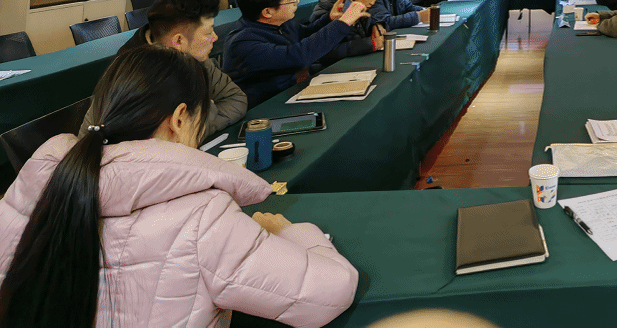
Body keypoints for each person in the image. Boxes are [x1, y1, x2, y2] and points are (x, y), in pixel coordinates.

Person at [0, 43, 358, 328]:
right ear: (180, 118)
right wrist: (293, 233)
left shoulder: (25, 192)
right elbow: (329, 293)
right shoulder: (203, 215)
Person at [79, 0, 246, 137]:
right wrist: (198, 118)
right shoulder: (128, 77)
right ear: (178, 41)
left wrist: (194, 126)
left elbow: (236, 99)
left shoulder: (197, 59)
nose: (215, 38)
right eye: (208, 33)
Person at [222, 0, 371, 107]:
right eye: (292, 0)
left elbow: (305, 34)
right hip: (263, 107)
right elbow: (298, 56)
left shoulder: (280, 23)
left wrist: (330, 19)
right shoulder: (243, 44)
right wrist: (343, 23)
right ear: (267, 12)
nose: (298, 2)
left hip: (291, 89)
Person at [307, 0, 387, 61]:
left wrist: (376, 25)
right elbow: (325, 52)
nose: (373, 2)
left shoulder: (363, 8)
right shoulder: (328, 10)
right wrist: (369, 44)